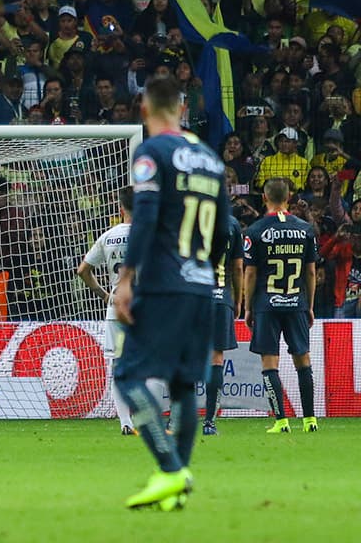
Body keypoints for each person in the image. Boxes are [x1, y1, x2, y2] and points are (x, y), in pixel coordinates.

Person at [114, 75, 229, 511]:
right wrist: (207, 271)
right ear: (182, 108)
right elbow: (223, 231)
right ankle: (175, 486)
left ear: (144, 108)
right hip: (202, 284)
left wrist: (126, 280)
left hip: (164, 283)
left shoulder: (153, 153)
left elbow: (143, 220)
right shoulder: (210, 160)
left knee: (127, 373)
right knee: (183, 386)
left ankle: (170, 468)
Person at [242, 178, 319, 434]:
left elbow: (250, 274)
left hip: (267, 303)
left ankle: (281, 421)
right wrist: (309, 305)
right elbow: (310, 272)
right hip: (297, 301)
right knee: (303, 359)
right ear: (290, 197)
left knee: (269, 363)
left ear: (264, 198)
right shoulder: (305, 229)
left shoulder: (254, 231)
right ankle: (310, 420)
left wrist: (248, 307)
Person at [75, 187, 136, 435]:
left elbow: (82, 270)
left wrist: (105, 295)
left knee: (119, 366)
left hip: (116, 308)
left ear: (121, 209)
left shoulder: (108, 236)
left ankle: (125, 422)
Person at [203, 210, 244, 436]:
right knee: (216, 358)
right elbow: (237, 268)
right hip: (220, 297)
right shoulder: (231, 222)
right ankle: (209, 422)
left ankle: (176, 420)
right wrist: (237, 300)